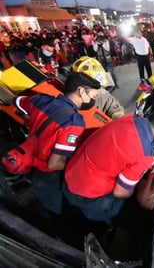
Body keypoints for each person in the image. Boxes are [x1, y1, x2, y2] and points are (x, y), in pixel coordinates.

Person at [63, 106, 154, 225]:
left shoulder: (131, 118)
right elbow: (120, 192)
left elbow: (142, 143)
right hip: (84, 195)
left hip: (72, 170)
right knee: (128, 211)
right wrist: (141, 183)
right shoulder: (144, 156)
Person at [12, 72, 102, 216]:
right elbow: (54, 164)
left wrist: (31, 119)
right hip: (48, 177)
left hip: (29, 164)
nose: (93, 101)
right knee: (59, 211)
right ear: (81, 91)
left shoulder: (41, 100)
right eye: (93, 96)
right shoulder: (74, 122)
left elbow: (16, 101)